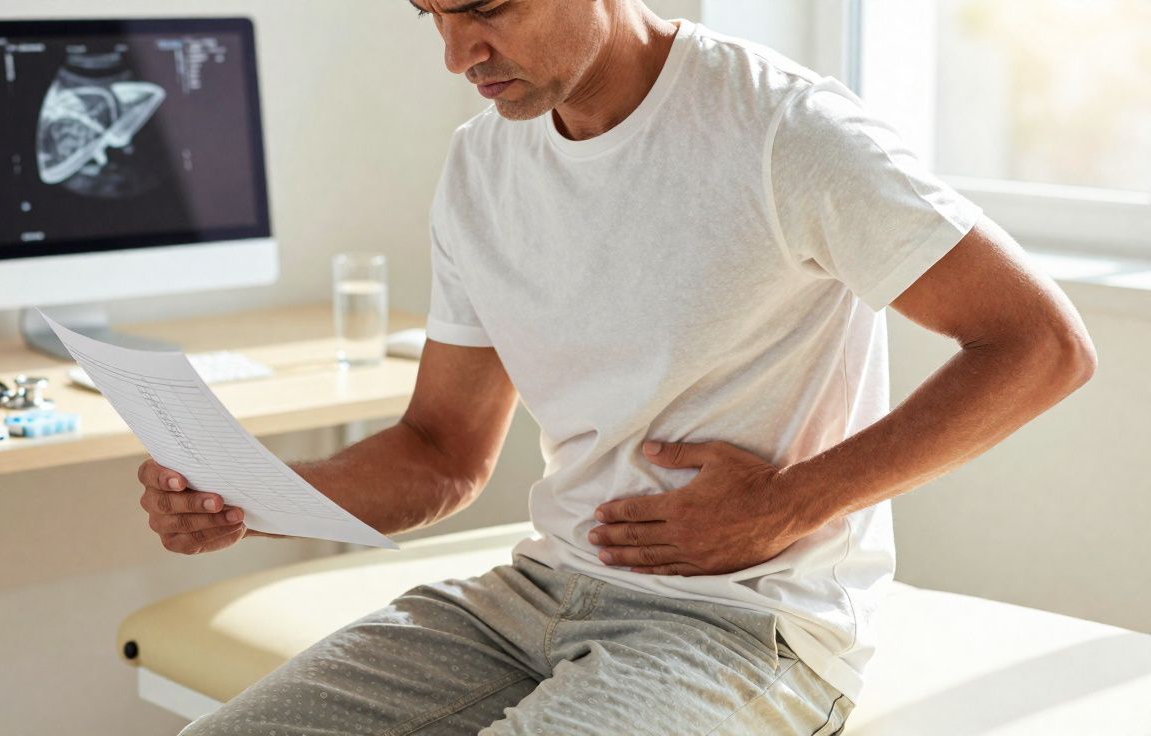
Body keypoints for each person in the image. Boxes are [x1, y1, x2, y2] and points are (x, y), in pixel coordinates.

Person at [138, 1, 1097, 733]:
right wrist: (252, 497)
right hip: (532, 596)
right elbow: (439, 453)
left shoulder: (782, 131)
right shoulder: (482, 167)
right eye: (433, 15)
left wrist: (794, 501)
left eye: (488, 7)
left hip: (744, 624)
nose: (456, 55)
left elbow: (1041, 347)